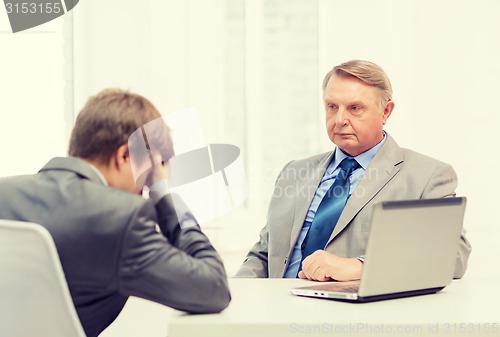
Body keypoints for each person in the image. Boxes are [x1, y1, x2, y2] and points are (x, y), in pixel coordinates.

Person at [0, 89, 231, 337]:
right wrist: (164, 194)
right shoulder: (121, 218)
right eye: (145, 180)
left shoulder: (5, 193)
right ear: (124, 156)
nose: (143, 191)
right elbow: (213, 288)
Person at [236, 60, 471, 282]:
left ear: (386, 112)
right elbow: (264, 255)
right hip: (275, 314)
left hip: (354, 318)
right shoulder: (293, 172)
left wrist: (359, 266)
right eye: (332, 107)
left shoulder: (427, 177)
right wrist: (237, 294)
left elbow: (454, 257)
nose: (339, 119)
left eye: (355, 108)